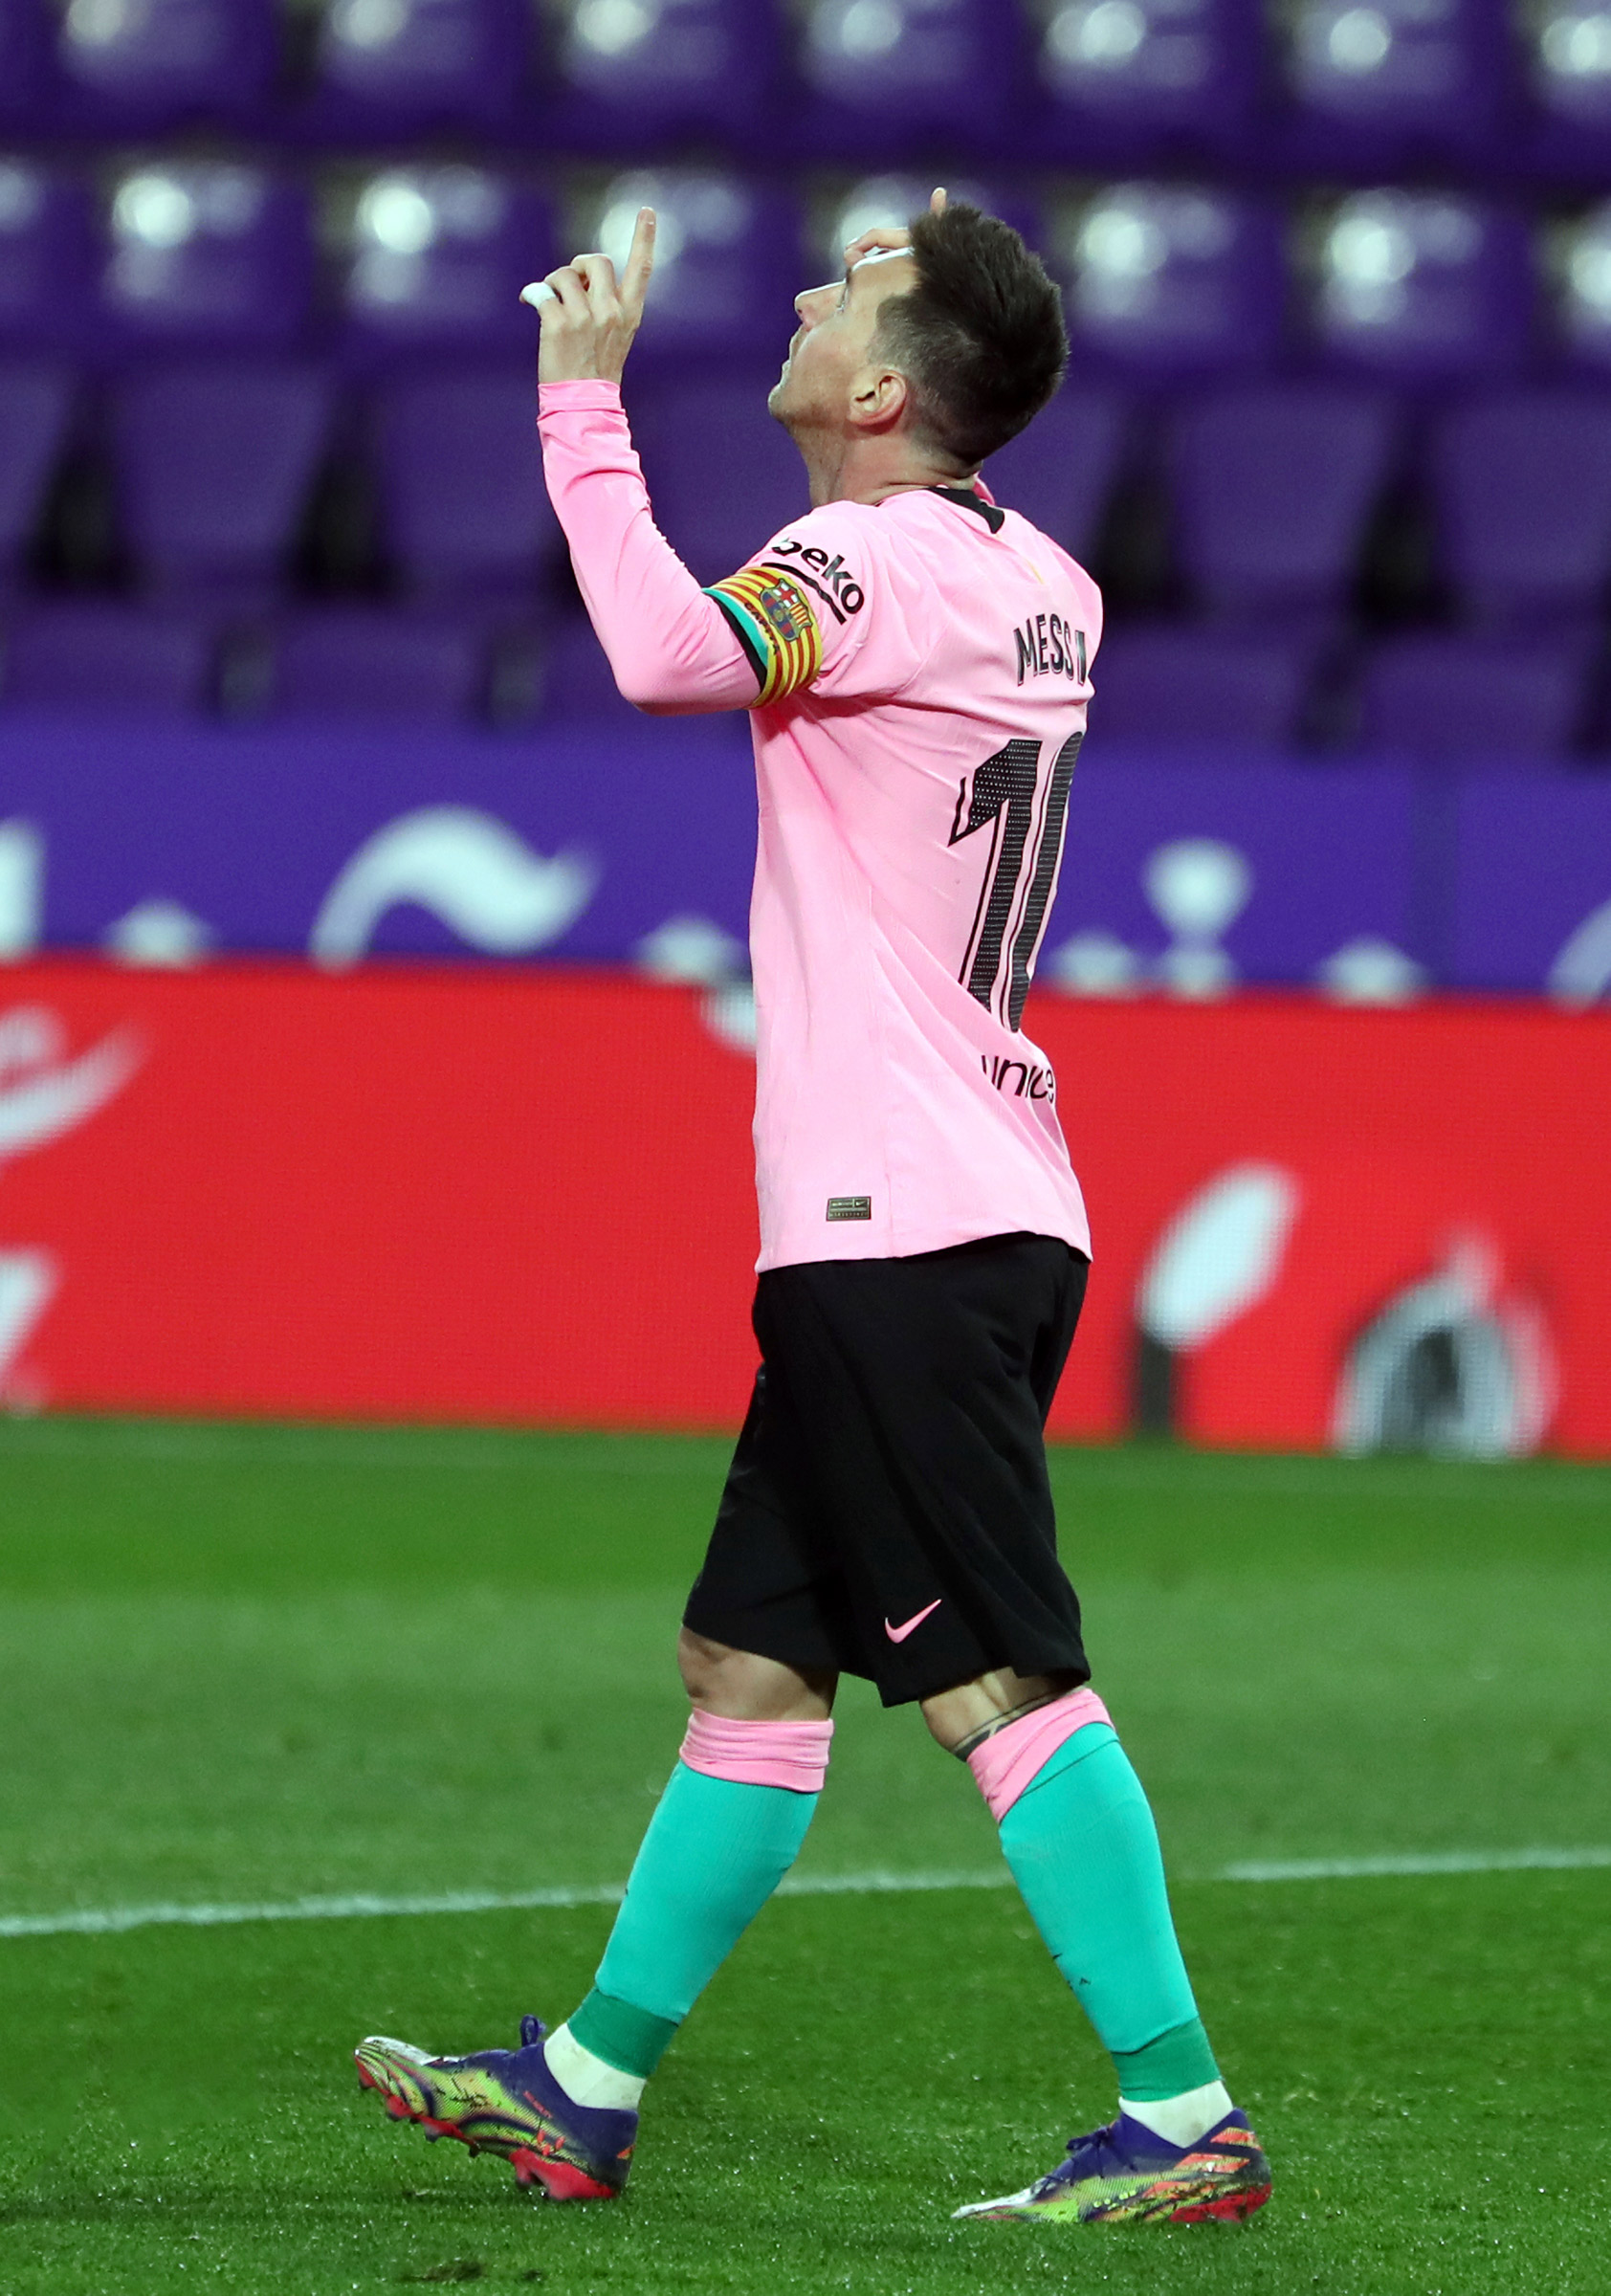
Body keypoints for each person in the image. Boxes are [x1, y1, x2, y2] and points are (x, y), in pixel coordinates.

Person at [354, 192, 1271, 2230]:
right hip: (976, 1195)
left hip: (896, 1225)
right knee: (747, 1665)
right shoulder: (1044, 581)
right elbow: (929, 465)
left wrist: (578, 408)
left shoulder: (854, 563)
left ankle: (1178, 2114)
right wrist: (918, 263)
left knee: (995, 1679)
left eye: (837, 300)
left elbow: (671, 652)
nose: (792, 301)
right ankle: (582, 2086)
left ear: (875, 390)